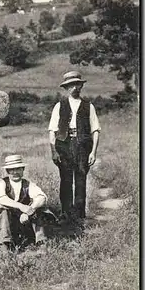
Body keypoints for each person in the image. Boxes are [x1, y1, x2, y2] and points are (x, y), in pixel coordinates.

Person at [48, 71, 101, 223]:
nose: (74, 88)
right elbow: (52, 130)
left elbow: (95, 130)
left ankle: (79, 215)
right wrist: (54, 151)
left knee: (81, 179)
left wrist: (93, 152)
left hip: (82, 146)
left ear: (81, 86)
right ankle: (65, 214)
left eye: (77, 84)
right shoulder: (60, 105)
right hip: (63, 145)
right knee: (65, 180)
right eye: (71, 85)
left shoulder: (88, 106)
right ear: (66, 88)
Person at [0, 155, 50, 252]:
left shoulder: (28, 184)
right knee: (1, 208)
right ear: (7, 171)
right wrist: (22, 206)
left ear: (23, 169)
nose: (15, 172)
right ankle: (5, 245)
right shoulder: (2, 183)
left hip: (24, 221)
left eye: (18, 169)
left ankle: (41, 242)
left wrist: (29, 210)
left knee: (38, 207)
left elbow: (42, 197)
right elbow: (0, 198)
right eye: (12, 170)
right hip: (8, 222)